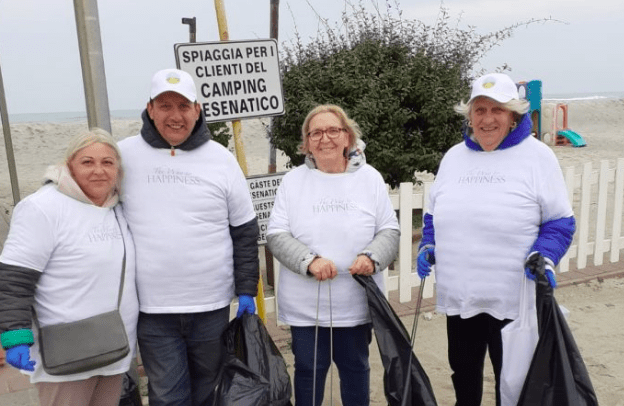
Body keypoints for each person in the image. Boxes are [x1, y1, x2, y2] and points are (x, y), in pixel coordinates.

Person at [416, 73, 576, 406]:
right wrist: (428, 243)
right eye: (479, 110)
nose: (487, 119)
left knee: (514, 382)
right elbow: (433, 213)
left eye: (497, 110)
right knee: (463, 374)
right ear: (470, 116)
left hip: (514, 298)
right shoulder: (453, 157)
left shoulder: (537, 157)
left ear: (513, 115)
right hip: (461, 296)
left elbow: (560, 221)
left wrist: (543, 255)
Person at [117, 68, 259, 406]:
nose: (175, 116)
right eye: (165, 106)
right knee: (167, 395)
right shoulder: (123, 155)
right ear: (150, 109)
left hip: (210, 305)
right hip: (151, 308)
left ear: (197, 109)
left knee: (210, 391)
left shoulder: (222, 159)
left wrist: (245, 289)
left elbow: (244, 230)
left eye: (183, 106)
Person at [267, 104, 400, 406]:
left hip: (354, 305)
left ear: (348, 137)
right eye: (315, 133)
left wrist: (371, 256)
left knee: (355, 370)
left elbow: (389, 230)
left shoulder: (370, 178)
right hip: (306, 310)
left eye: (333, 130)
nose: (324, 138)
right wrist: (309, 260)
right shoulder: (293, 181)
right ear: (306, 143)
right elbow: (276, 234)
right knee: (309, 371)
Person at [0, 129, 138, 406]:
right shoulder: (42, 208)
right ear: (68, 165)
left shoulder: (116, 208)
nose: (98, 171)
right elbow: (14, 279)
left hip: (114, 350)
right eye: (87, 162)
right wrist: (15, 334)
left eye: (107, 162)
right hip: (65, 357)